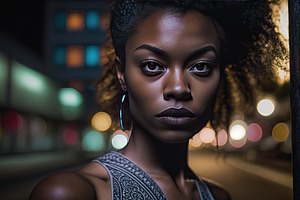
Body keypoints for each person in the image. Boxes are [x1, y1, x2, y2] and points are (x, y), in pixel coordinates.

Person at [30, 0, 287, 199]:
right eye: (152, 66)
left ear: (220, 75)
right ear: (122, 75)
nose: (178, 87)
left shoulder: (218, 196)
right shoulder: (74, 193)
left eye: (200, 67)